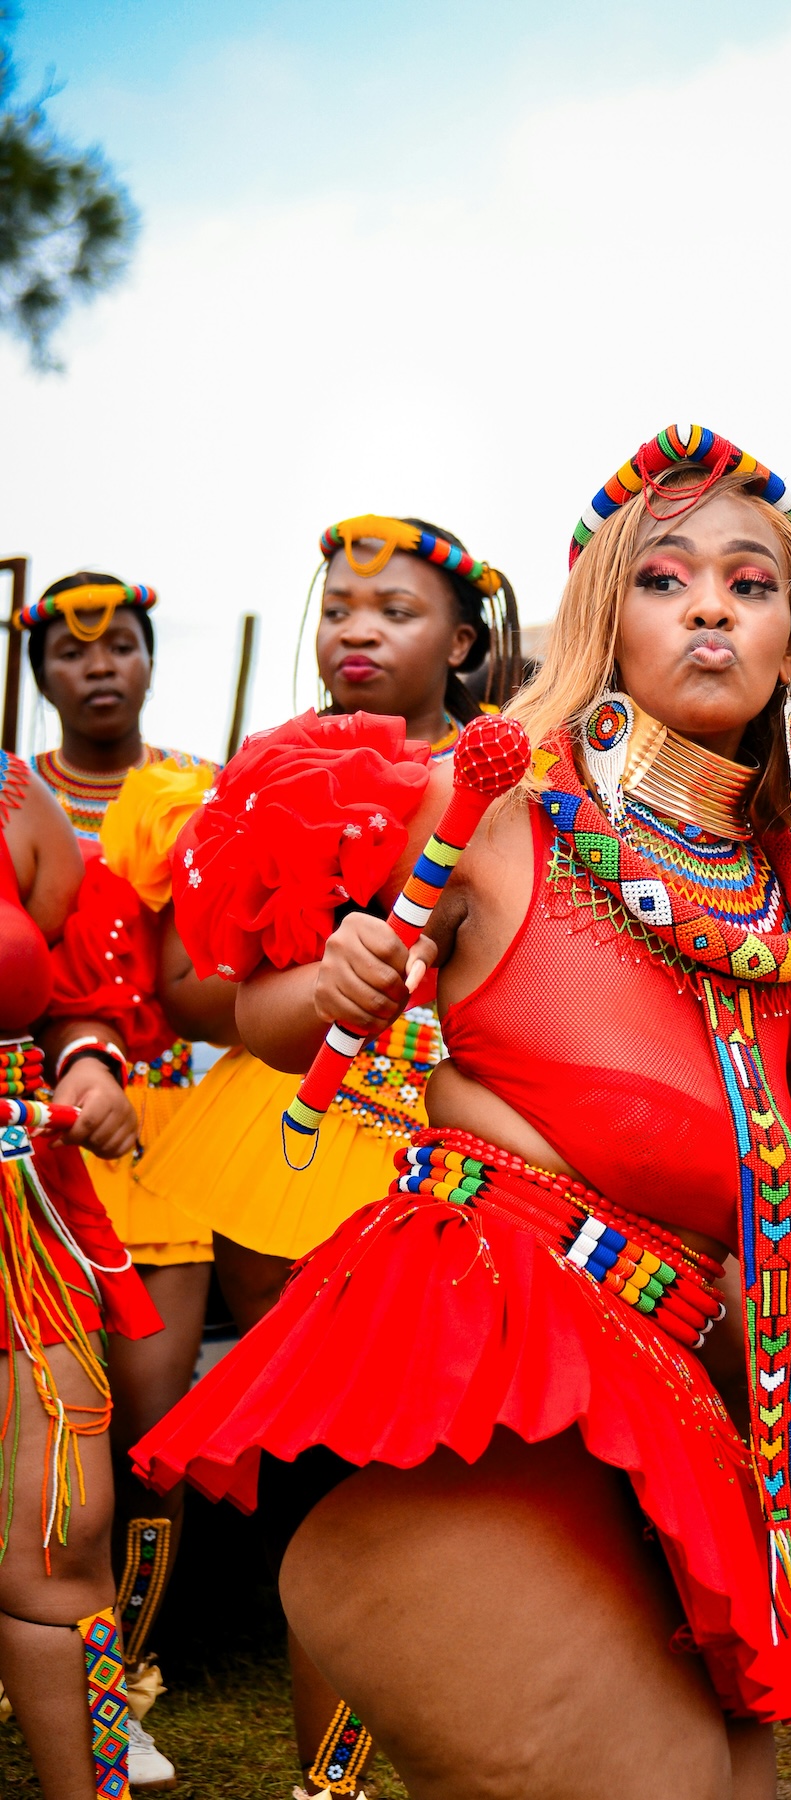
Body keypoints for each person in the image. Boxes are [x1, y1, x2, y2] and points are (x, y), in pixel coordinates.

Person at [133, 426, 791, 1800]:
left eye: (752, 583)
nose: (713, 605)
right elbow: (249, 1013)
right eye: (667, 580)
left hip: (683, 1377)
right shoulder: (492, 807)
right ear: (605, 618)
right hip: (506, 1331)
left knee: (730, 1776)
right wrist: (335, 981)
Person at [129, 513, 520, 1799]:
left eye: (394, 610)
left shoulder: (524, 771)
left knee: (455, 1483)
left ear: (463, 642)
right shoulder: (271, 766)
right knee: (336, 1485)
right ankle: (333, 1782)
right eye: (340, 607)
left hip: (477, 1147)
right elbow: (204, 988)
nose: (358, 628)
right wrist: (317, 981)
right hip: (294, 1143)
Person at [24, 569, 237, 1788]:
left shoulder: (204, 792)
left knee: (151, 1444)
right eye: (70, 650)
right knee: (55, 1448)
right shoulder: (17, 801)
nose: (98, 666)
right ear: (43, 672)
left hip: (166, 1133)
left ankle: (124, 1691)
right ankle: (49, 1658)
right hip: (42, 1144)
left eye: (122, 646)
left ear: (153, 662)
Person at [0, 739, 163, 1800]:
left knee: (66, 1531)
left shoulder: (13, 797)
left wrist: (90, 1060)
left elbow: (79, 989)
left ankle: (91, 1788)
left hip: (21, 1217)